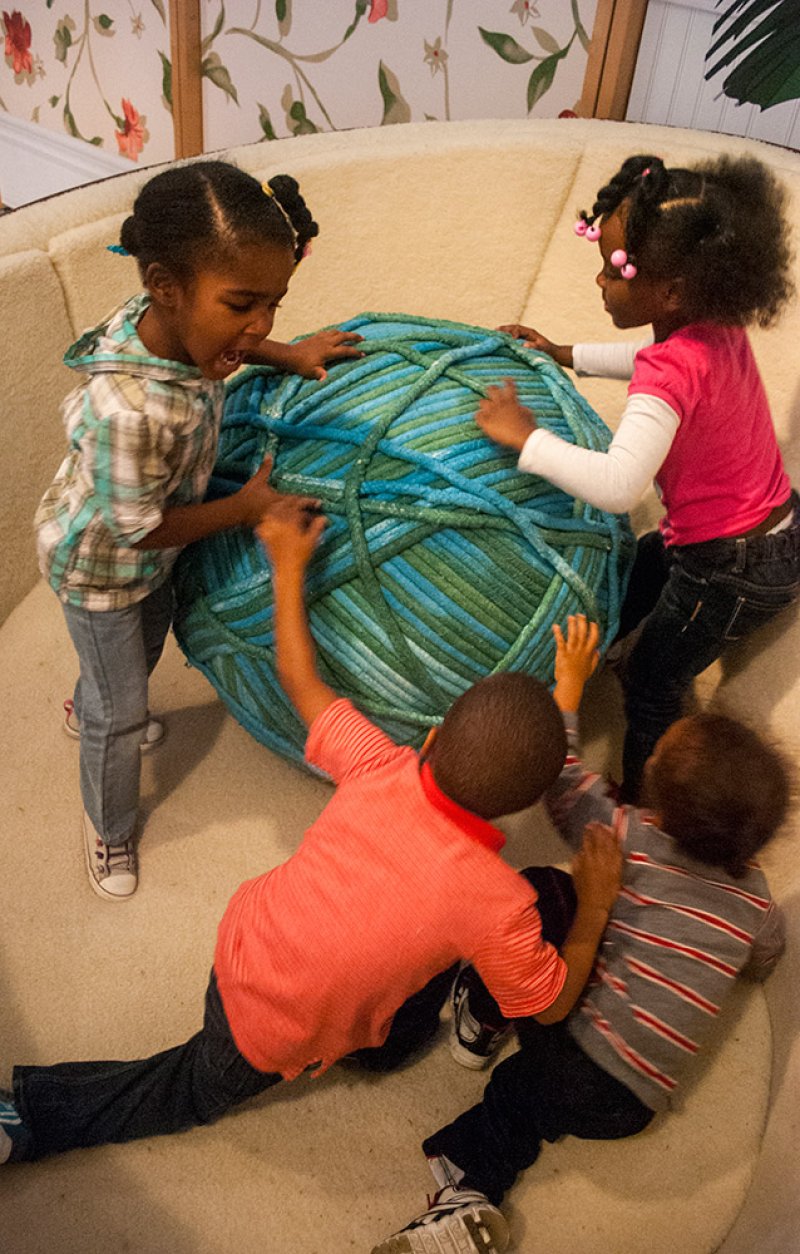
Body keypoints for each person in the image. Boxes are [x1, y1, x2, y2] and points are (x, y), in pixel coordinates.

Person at [0, 506, 622, 1166]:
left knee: (409, 994)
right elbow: (548, 1006)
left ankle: (374, 1049)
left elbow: (300, 679)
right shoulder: (500, 907)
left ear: (433, 738)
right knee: (185, 1090)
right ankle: (30, 1118)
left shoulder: (379, 764)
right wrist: (595, 907)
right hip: (264, 1024)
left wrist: (289, 566)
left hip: (247, 937)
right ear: (525, 805)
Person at [374, 614, 788, 1254]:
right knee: (530, 1106)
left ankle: (472, 1154)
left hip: (575, 1059)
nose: (650, 751)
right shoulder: (756, 899)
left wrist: (567, 688)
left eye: (656, 756)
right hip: (636, 1106)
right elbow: (766, 955)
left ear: (661, 815)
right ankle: (472, 1171)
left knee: (543, 894)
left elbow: (561, 780)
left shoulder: (631, 842)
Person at [35, 159, 364, 901]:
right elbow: (136, 530)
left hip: (149, 553)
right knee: (121, 714)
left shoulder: (181, 326)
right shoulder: (126, 412)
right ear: (164, 285)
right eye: (243, 304)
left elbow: (237, 343)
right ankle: (108, 822)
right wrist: (247, 507)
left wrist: (289, 353)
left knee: (145, 648)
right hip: (101, 569)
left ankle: (90, 700)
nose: (261, 325)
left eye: (274, 304)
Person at [475, 152, 800, 802]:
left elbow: (619, 484)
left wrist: (526, 438)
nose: (599, 280)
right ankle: (596, 645)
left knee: (653, 684)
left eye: (615, 269)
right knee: (635, 563)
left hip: (728, 571)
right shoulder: (713, 325)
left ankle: (643, 806)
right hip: (771, 531)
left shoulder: (668, 375)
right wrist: (564, 353)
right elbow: (651, 356)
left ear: (672, 291)